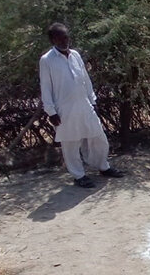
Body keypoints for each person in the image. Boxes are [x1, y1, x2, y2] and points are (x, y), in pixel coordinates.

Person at [39, 23, 124, 188]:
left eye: (66, 37)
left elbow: (85, 79)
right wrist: (51, 112)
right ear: (52, 39)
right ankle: (79, 176)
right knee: (70, 144)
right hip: (64, 109)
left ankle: (103, 166)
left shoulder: (75, 55)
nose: (64, 41)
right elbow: (46, 87)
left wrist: (93, 100)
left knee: (98, 137)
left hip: (84, 105)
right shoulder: (47, 60)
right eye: (60, 38)